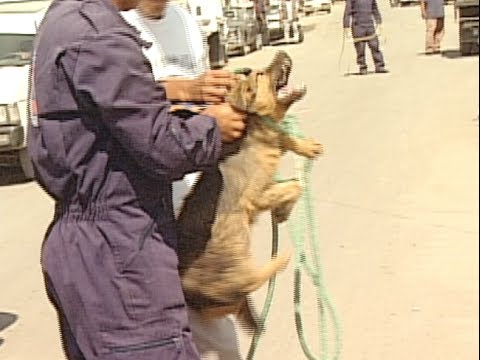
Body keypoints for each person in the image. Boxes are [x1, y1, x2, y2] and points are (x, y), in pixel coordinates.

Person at [27, 0, 246, 359]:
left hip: (85, 246)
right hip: (121, 251)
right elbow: (164, 149)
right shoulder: (101, 35)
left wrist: (186, 99)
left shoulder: (64, 19)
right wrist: (214, 128)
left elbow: (112, 116)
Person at [121, 1, 244, 359]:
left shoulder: (185, 22)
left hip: (195, 205)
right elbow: (121, 103)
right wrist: (185, 90)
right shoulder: (113, 25)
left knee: (220, 341)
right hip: (143, 214)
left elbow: (201, 106)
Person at [343, 0, 389, 75]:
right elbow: (347, 12)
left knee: (375, 46)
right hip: (358, 26)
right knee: (360, 50)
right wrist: (346, 27)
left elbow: (375, 9)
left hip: (369, 26)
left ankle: (379, 66)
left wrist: (379, 22)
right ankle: (362, 67)